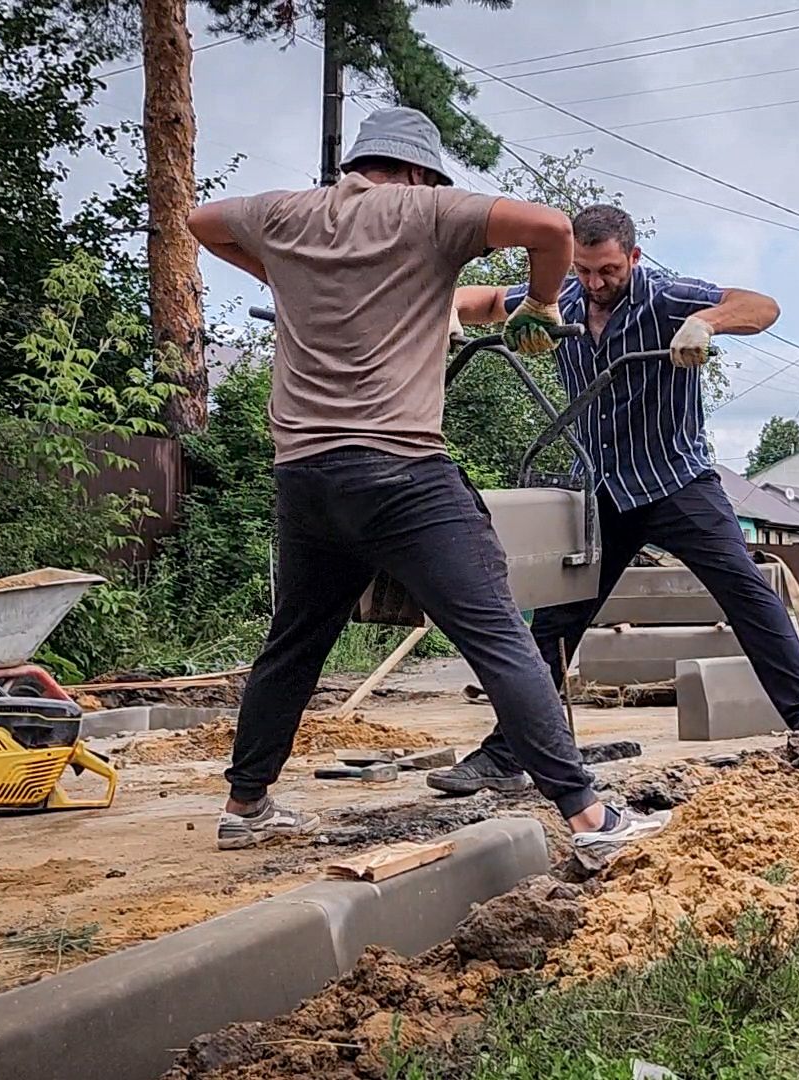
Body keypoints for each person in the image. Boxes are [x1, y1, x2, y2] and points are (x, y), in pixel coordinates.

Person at [185, 109, 669, 851]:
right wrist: (541, 305)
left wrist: (288, 274)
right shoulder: (428, 210)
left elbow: (198, 219)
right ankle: (589, 816)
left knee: (295, 641)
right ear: (418, 173)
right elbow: (549, 228)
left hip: (305, 477)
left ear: (359, 163)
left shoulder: (286, 213)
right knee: (501, 637)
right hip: (400, 471)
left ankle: (245, 806)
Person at [430, 204, 799, 798]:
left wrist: (706, 323)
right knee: (556, 621)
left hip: (676, 481)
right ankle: (509, 754)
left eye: (607, 270)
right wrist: (446, 309)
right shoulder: (560, 301)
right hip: (600, 490)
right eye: (582, 269)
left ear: (632, 257)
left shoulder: (667, 297)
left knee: (745, 589)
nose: (594, 283)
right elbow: (481, 300)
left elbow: (763, 307)